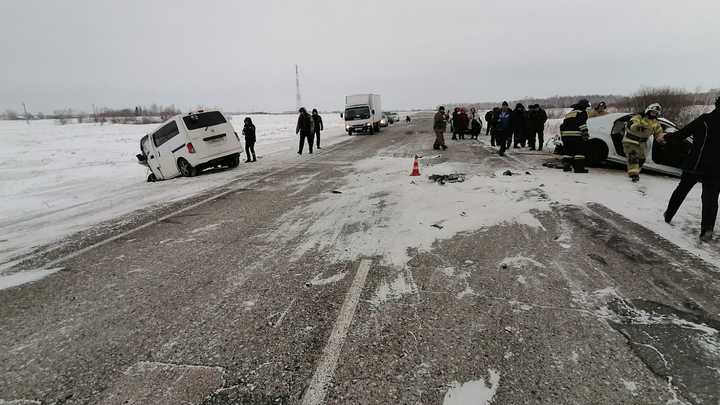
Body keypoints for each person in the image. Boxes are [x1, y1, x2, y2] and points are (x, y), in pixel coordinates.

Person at [661, 96, 720, 242]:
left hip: (696, 164)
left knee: (682, 190)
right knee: (710, 198)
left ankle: (668, 215)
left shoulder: (705, 119)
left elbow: (683, 134)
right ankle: (707, 230)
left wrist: (666, 137)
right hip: (716, 169)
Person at [623, 103, 665, 182]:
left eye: (655, 113)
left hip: (642, 143)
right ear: (648, 111)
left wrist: (662, 139)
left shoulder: (656, 123)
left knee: (642, 159)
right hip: (630, 141)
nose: (653, 114)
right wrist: (638, 127)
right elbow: (632, 123)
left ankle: (636, 171)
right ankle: (634, 175)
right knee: (633, 156)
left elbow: (659, 133)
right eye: (652, 112)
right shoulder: (639, 117)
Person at [559, 99, 591, 173]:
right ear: (583, 106)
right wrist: (585, 133)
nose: (586, 108)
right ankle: (579, 168)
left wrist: (563, 135)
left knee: (568, 152)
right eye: (586, 106)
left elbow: (562, 126)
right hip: (576, 135)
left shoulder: (570, 113)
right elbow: (582, 124)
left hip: (566, 136)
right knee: (579, 152)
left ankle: (566, 167)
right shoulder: (582, 112)